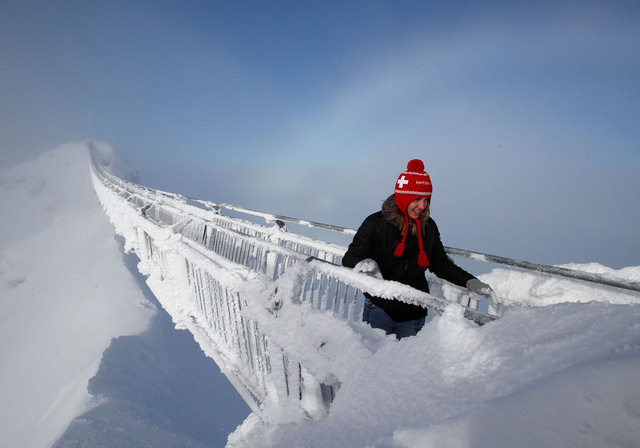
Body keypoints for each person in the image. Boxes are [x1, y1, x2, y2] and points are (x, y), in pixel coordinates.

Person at [342, 159, 492, 339]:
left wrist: (470, 282)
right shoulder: (375, 223)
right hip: (380, 308)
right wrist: (366, 263)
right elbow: (351, 257)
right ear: (404, 197)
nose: (422, 206)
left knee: (407, 365)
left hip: (413, 313)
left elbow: (440, 263)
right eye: (417, 199)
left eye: (426, 200)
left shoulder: (428, 227)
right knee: (375, 362)